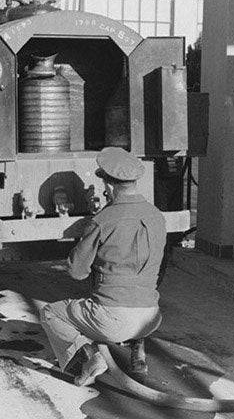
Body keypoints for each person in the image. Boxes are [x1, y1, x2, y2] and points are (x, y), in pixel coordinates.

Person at [39, 147, 167, 387]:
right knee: (135, 293)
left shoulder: (103, 220)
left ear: (108, 187)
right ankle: (138, 353)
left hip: (113, 320)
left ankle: (89, 358)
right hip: (151, 317)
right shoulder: (157, 216)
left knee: (50, 313)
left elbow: (77, 273)